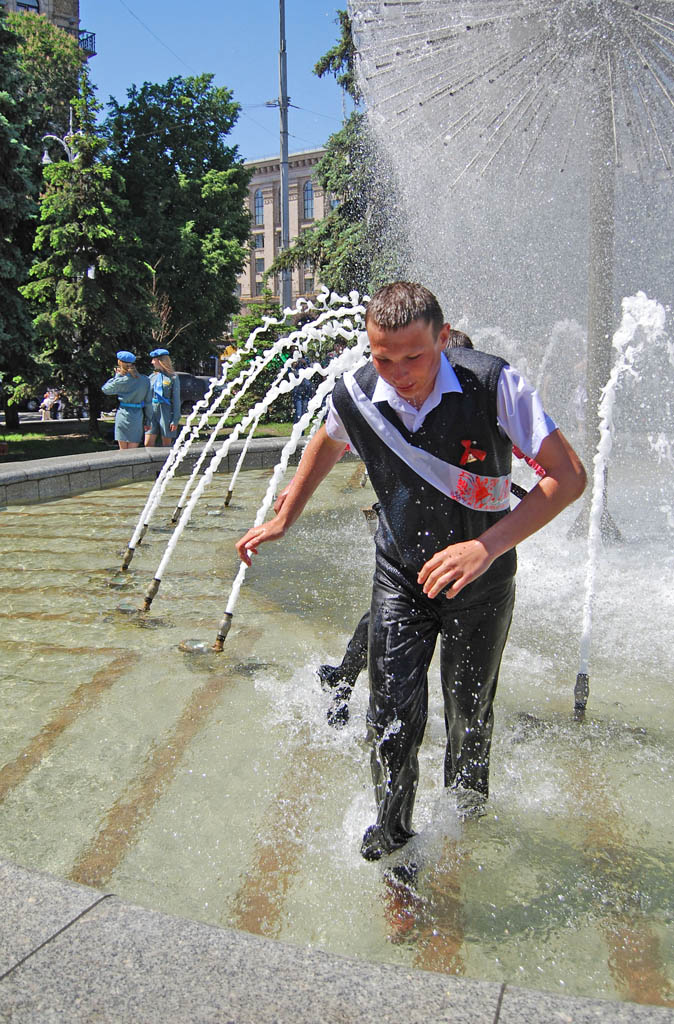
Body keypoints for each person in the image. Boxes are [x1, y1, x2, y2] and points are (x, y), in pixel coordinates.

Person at [236, 282, 586, 866]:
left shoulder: (493, 384)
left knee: (468, 714)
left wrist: (487, 547)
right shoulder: (357, 391)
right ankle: (395, 847)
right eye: (383, 358)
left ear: (443, 340)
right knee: (391, 718)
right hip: (400, 574)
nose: (398, 373)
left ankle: (464, 830)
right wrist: (286, 515)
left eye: (414, 357)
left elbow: (568, 477)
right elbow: (327, 438)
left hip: (482, 580)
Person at [101, 351, 152, 450]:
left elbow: (105, 389)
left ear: (120, 364)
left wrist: (117, 376)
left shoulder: (121, 380)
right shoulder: (145, 380)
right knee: (133, 451)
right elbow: (148, 402)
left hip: (123, 414)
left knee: (123, 452)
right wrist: (149, 421)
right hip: (137, 416)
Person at [145, 348, 181, 447]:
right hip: (152, 409)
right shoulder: (152, 376)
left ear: (160, 361)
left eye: (154, 359)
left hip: (165, 410)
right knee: (148, 442)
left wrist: (175, 419)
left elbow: (176, 399)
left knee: (166, 443)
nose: (152, 362)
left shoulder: (172, 377)